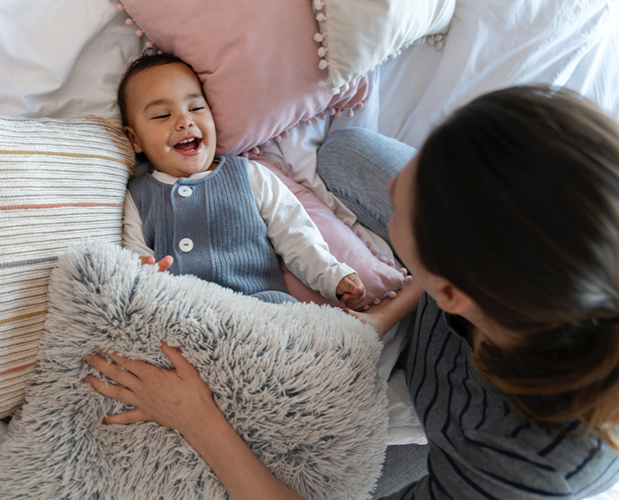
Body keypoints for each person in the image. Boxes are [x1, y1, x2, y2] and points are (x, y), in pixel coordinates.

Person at [85, 85, 619, 499]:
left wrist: (197, 416)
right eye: (421, 161)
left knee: (296, 468)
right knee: (347, 151)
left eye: (408, 204)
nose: (392, 188)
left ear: (452, 291)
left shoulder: (519, 467)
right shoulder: (543, 247)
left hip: (449, 446)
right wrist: (380, 317)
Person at [118, 53, 371, 308]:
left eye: (196, 108)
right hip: (185, 316)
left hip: (263, 309)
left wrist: (332, 276)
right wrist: (145, 279)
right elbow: (135, 257)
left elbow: (297, 236)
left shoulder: (250, 176)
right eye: (162, 115)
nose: (185, 121)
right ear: (135, 139)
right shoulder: (138, 196)